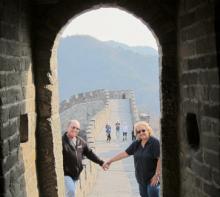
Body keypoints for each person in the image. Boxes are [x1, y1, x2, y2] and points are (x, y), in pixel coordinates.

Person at [103, 121, 160, 197]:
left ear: (148, 130)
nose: (141, 133)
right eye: (138, 132)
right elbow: (124, 153)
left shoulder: (154, 143)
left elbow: (160, 159)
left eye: (143, 130)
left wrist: (157, 175)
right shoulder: (136, 144)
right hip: (141, 180)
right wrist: (110, 161)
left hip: (152, 180)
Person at [62, 120, 105, 197]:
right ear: (67, 127)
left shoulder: (80, 142)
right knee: (71, 192)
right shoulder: (62, 142)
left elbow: (89, 153)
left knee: (71, 193)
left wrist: (101, 162)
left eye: (77, 128)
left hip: (76, 175)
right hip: (66, 174)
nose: (75, 130)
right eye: (73, 127)